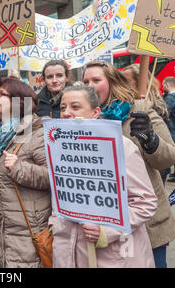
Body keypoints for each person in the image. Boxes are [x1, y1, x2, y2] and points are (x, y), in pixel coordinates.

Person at [83, 61, 175, 268]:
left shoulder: (139, 110)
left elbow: (171, 157)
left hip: (146, 220)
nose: (89, 85)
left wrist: (151, 141)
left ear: (112, 82)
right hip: (107, 222)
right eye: (85, 81)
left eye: (96, 80)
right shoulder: (85, 119)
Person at [49, 85, 158, 267]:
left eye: (75, 107)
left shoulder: (120, 147)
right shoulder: (57, 148)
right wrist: (55, 225)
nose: (66, 113)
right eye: (62, 108)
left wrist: (107, 231)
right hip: (69, 253)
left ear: (95, 112)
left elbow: (145, 202)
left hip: (113, 255)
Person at [0, 77, 51, 267]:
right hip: (0, 232)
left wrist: (20, 168)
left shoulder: (37, 134)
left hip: (28, 231)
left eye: (1, 94)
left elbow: (54, 177)